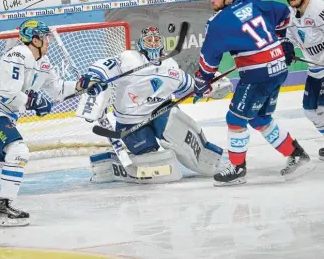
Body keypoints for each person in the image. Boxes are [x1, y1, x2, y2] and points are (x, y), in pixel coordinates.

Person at [193, 0, 313, 186]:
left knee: (235, 119)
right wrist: (282, 39)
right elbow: (285, 13)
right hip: (278, 68)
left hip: (258, 74)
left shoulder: (218, 22)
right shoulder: (255, 3)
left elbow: (209, 58)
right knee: (259, 118)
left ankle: (237, 169)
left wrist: (202, 80)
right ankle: (296, 154)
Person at [78, 26, 233, 183]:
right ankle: (114, 164)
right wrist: (93, 78)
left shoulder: (170, 65)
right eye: (149, 40)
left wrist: (211, 86)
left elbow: (190, 86)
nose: (153, 43)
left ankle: (205, 158)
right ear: (141, 44)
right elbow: (105, 66)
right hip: (131, 121)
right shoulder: (129, 59)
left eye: (157, 40)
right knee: (150, 156)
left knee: (175, 124)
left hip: (160, 111)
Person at [0, 20, 85, 227]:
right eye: (44, 37)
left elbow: (58, 91)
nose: (48, 40)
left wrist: (81, 86)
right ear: (35, 39)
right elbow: (8, 92)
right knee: (19, 151)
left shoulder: (44, 63)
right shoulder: (17, 54)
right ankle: (5, 211)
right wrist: (34, 102)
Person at [283, 0, 324, 161]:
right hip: (315, 70)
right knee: (310, 110)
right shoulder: (290, 13)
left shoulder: (319, 9)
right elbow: (289, 36)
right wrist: (288, 47)